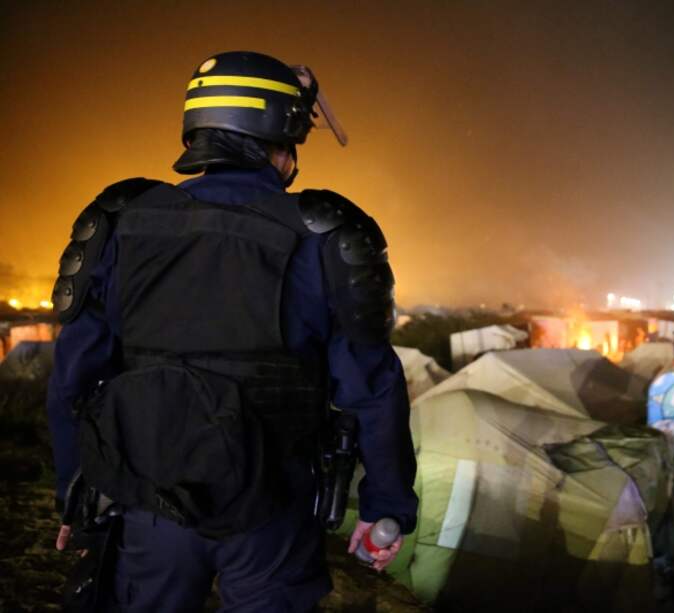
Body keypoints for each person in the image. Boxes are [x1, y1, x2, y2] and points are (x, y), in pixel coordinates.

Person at [47, 50, 418, 612]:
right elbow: (371, 386)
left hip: (146, 506)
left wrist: (76, 493)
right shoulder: (325, 233)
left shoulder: (118, 221)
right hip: (272, 514)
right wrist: (385, 504)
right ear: (280, 135)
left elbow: (72, 379)